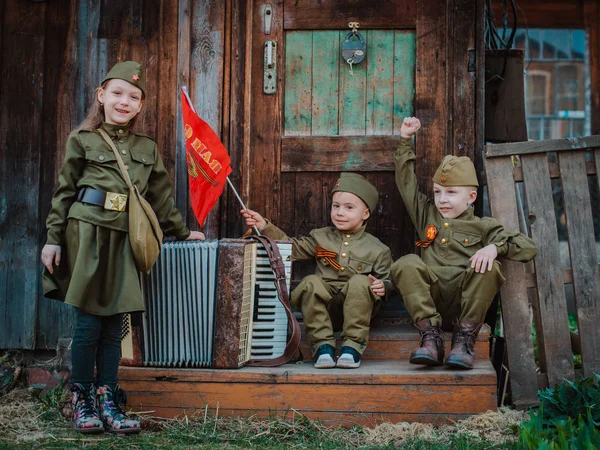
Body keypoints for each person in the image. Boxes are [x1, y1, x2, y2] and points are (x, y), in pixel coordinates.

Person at [40, 61, 205, 434]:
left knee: (115, 326)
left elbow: (160, 198)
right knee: (87, 324)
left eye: (133, 96)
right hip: (87, 235)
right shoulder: (82, 140)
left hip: (125, 238)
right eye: (117, 93)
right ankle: (81, 398)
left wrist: (180, 232)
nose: (124, 101)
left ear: (140, 106)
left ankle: (108, 397)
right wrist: (52, 239)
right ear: (101, 97)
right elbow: (64, 192)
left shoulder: (146, 147)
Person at [391, 117, 537, 369]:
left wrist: (495, 247)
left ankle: (463, 342)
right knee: (406, 263)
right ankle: (431, 340)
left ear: (471, 197)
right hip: (430, 303)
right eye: (437, 192)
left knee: (490, 268)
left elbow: (528, 248)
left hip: (465, 306)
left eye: (451, 192)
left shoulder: (483, 226)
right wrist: (405, 140)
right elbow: (406, 184)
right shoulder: (427, 214)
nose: (442, 200)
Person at [241, 173, 392, 369]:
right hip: (323, 310)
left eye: (349, 208)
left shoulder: (377, 249)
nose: (339, 212)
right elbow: (291, 248)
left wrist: (384, 286)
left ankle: (352, 347)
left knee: (360, 282)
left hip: (357, 311)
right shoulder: (320, 237)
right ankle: (323, 347)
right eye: (335, 206)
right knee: (311, 282)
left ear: (366, 214)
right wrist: (265, 227)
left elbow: (388, 280)